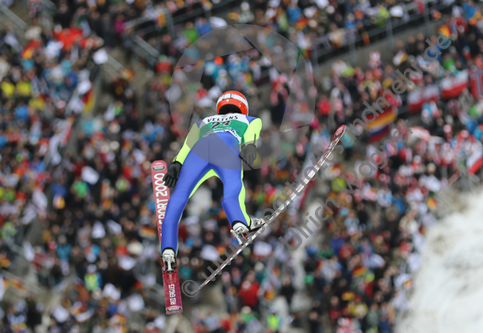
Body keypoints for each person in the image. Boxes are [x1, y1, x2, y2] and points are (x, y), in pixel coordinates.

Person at [161, 91, 266, 271]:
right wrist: (249, 145)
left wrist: (177, 163)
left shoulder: (202, 122)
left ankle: (168, 250)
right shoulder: (250, 119)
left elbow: (187, 144)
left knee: (179, 197)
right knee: (233, 188)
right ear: (243, 107)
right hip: (226, 144)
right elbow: (251, 132)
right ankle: (240, 222)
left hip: (198, 151)